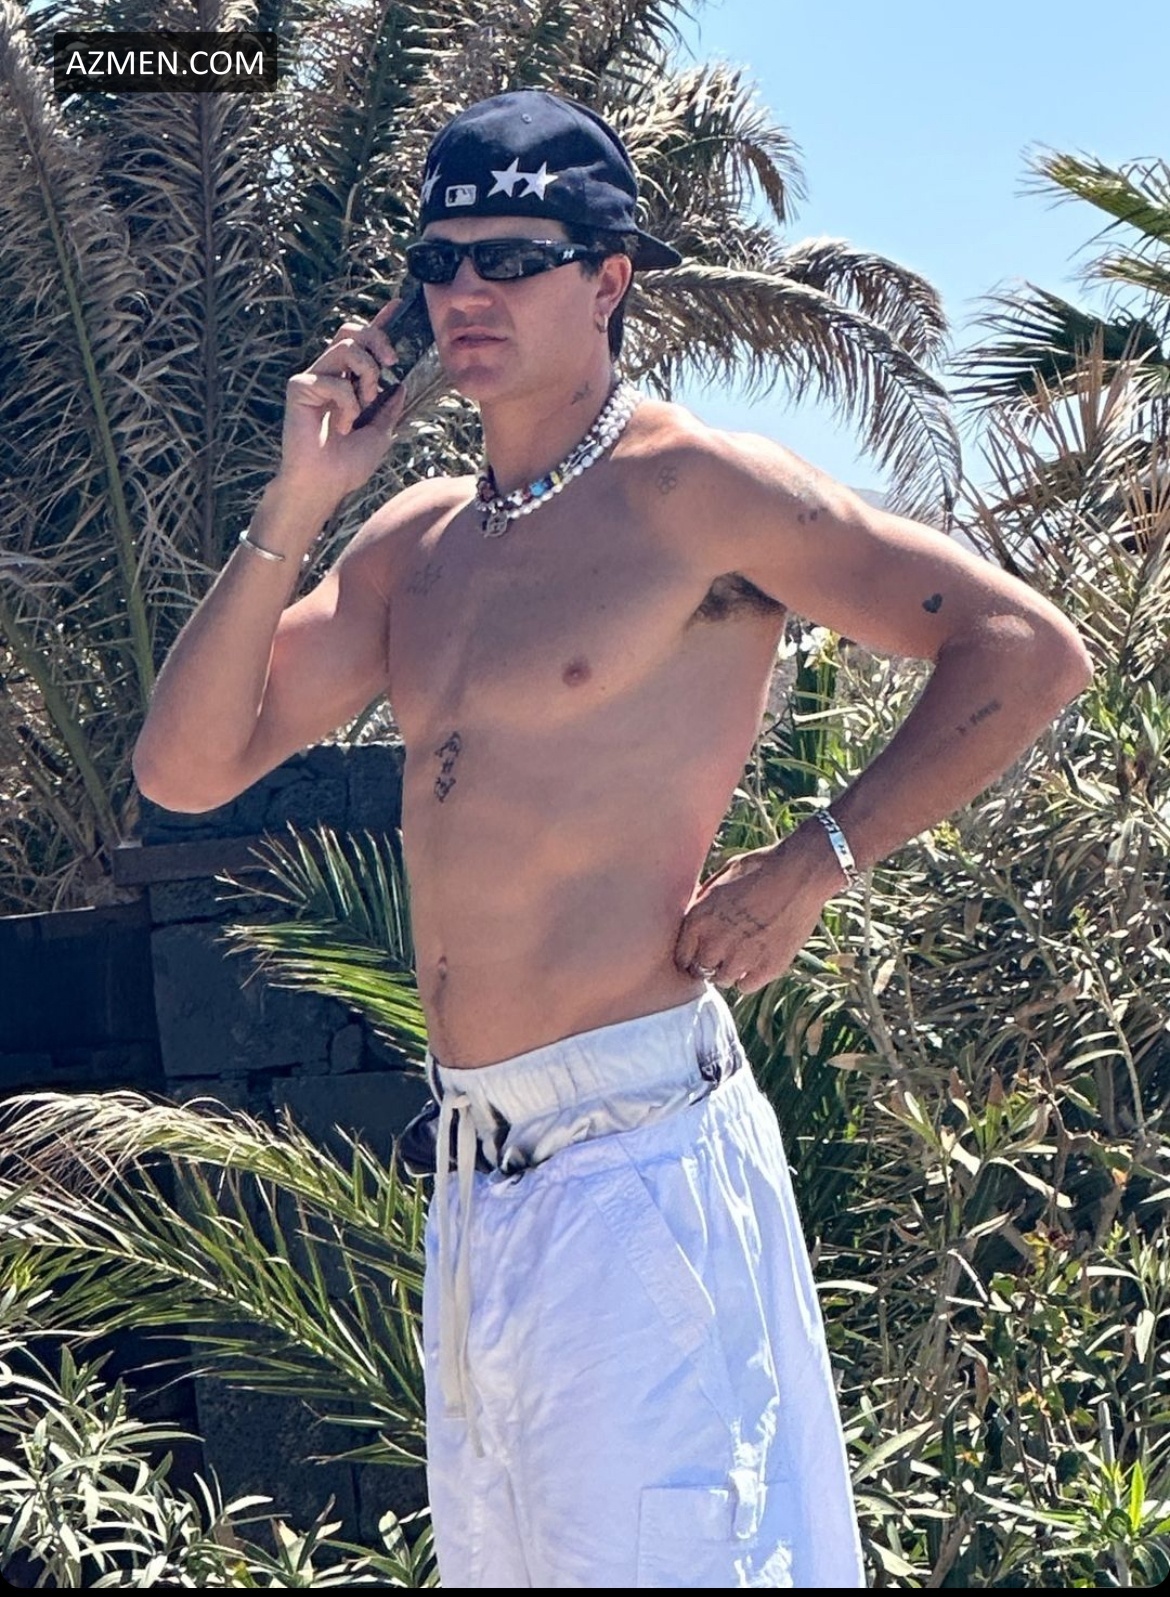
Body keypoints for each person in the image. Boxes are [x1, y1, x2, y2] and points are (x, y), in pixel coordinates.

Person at [133, 88, 1093, 1588]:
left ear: (608, 278)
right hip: (477, 1180)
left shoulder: (695, 492)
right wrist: (300, 496)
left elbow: (1025, 650)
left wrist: (814, 861)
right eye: (441, 260)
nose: (468, 290)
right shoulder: (415, 545)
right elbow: (185, 768)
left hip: (636, 1158)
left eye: (515, 257)